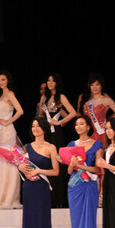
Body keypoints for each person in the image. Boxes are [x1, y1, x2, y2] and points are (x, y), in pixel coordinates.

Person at [20, 118, 59, 228]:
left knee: (41, 224)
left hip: (42, 189)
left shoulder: (51, 148)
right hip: (29, 188)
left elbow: (56, 171)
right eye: (33, 126)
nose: (35, 128)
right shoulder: (26, 147)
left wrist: (39, 171)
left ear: (44, 128)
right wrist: (20, 167)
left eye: (38, 126)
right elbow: (20, 165)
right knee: (29, 224)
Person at [66, 115, 102, 228]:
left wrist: (81, 165)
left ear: (88, 126)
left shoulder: (97, 145)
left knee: (89, 225)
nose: (78, 126)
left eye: (81, 124)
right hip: (75, 187)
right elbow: (69, 171)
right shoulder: (71, 145)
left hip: (89, 185)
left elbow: (98, 169)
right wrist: (72, 164)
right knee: (77, 226)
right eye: (76, 124)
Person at [39, 74, 76, 207]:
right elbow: (41, 115)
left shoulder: (61, 97)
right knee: (46, 161)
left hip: (56, 134)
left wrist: (59, 122)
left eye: (53, 81)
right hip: (46, 133)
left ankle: (58, 198)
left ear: (57, 83)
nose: (50, 83)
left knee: (56, 161)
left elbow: (73, 113)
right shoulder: (44, 98)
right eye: (48, 80)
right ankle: (48, 196)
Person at [0, 71, 24, 209]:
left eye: (3, 79)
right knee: (1, 161)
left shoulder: (10, 94)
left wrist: (8, 121)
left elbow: (20, 111)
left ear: (8, 80)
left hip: (7, 132)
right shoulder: (1, 95)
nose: (0, 82)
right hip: (0, 132)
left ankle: (9, 197)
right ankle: (1, 195)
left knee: (8, 161)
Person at [77, 73, 115, 144]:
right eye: (92, 85)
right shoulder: (85, 100)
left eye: (97, 84)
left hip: (101, 132)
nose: (94, 87)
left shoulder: (106, 100)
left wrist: (107, 122)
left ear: (101, 85)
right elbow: (80, 116)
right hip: (88, 133)